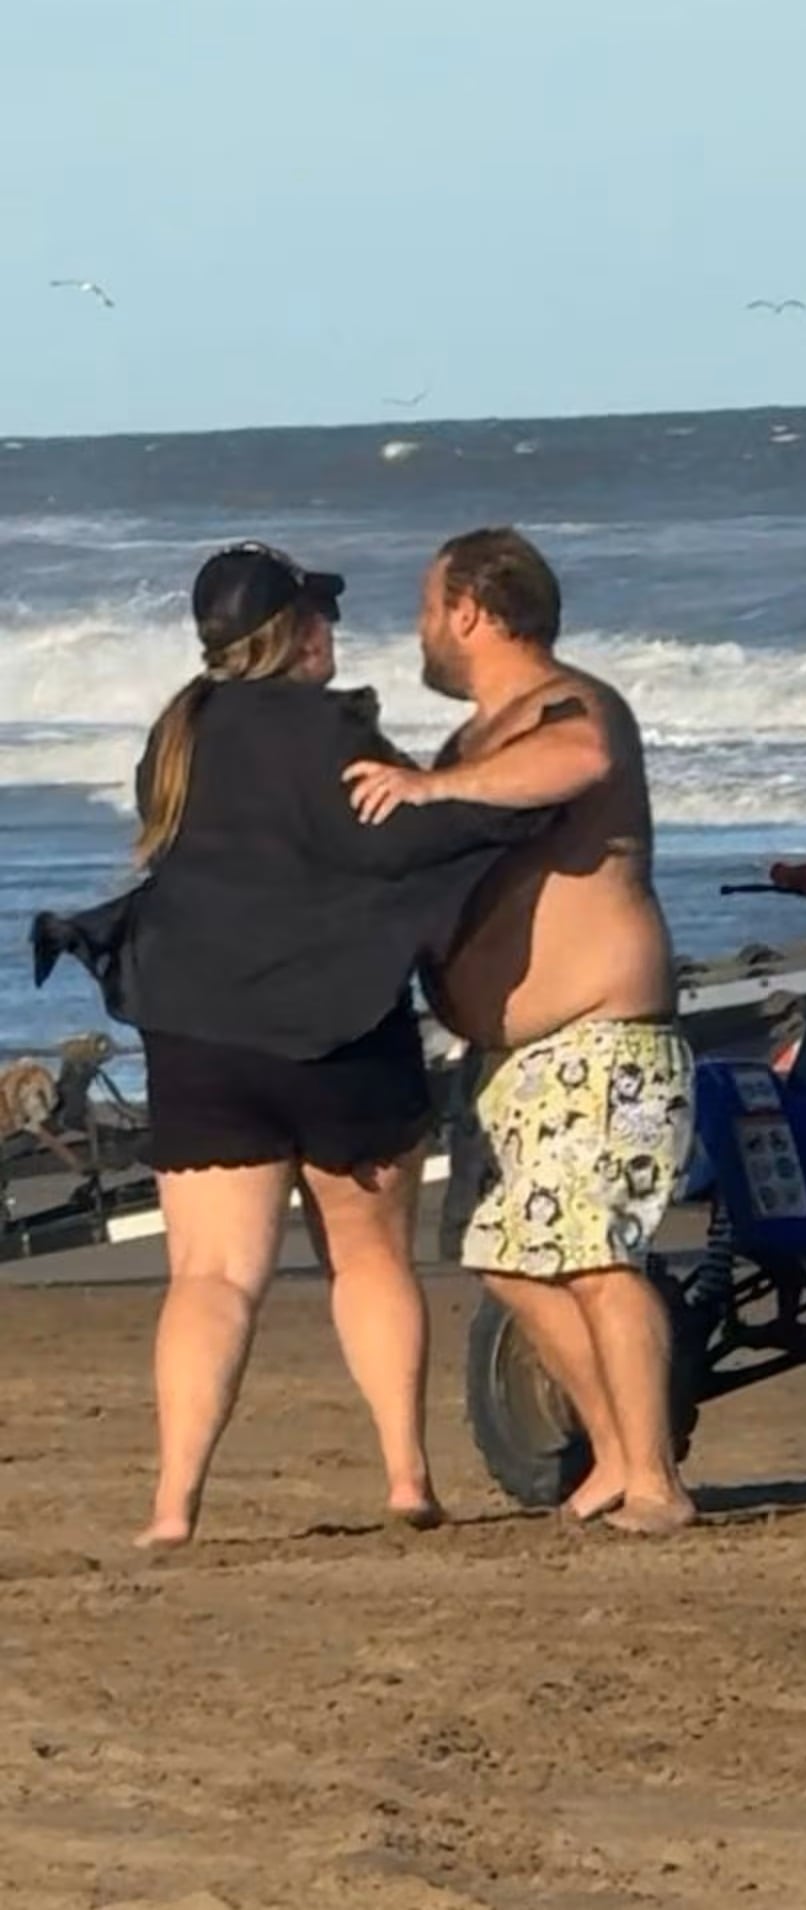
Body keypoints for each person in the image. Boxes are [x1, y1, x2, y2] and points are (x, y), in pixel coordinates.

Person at [33, 541, 548, 1547]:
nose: (336, 631)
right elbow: (397, 840)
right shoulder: (332, 729)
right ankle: (405, 1474)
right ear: (301, 631)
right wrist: (524, 808)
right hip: (341, 1023)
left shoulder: (175, 734)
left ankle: (174, 1502)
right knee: (367, 1260)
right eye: (324, 616)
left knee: (212, 1278)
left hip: (198, 1030)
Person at [343, 528, 697, 1536]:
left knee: (595, 1253)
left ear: (469, 610)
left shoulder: (567, 707)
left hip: (604, 1040)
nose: (417, 629)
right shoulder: (470, 742)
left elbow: (578, 759)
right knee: (506, 1253)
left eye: (425, 605)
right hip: (513, 1061)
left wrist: (432, 787)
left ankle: (658, 1480)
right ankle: (619, 1457)